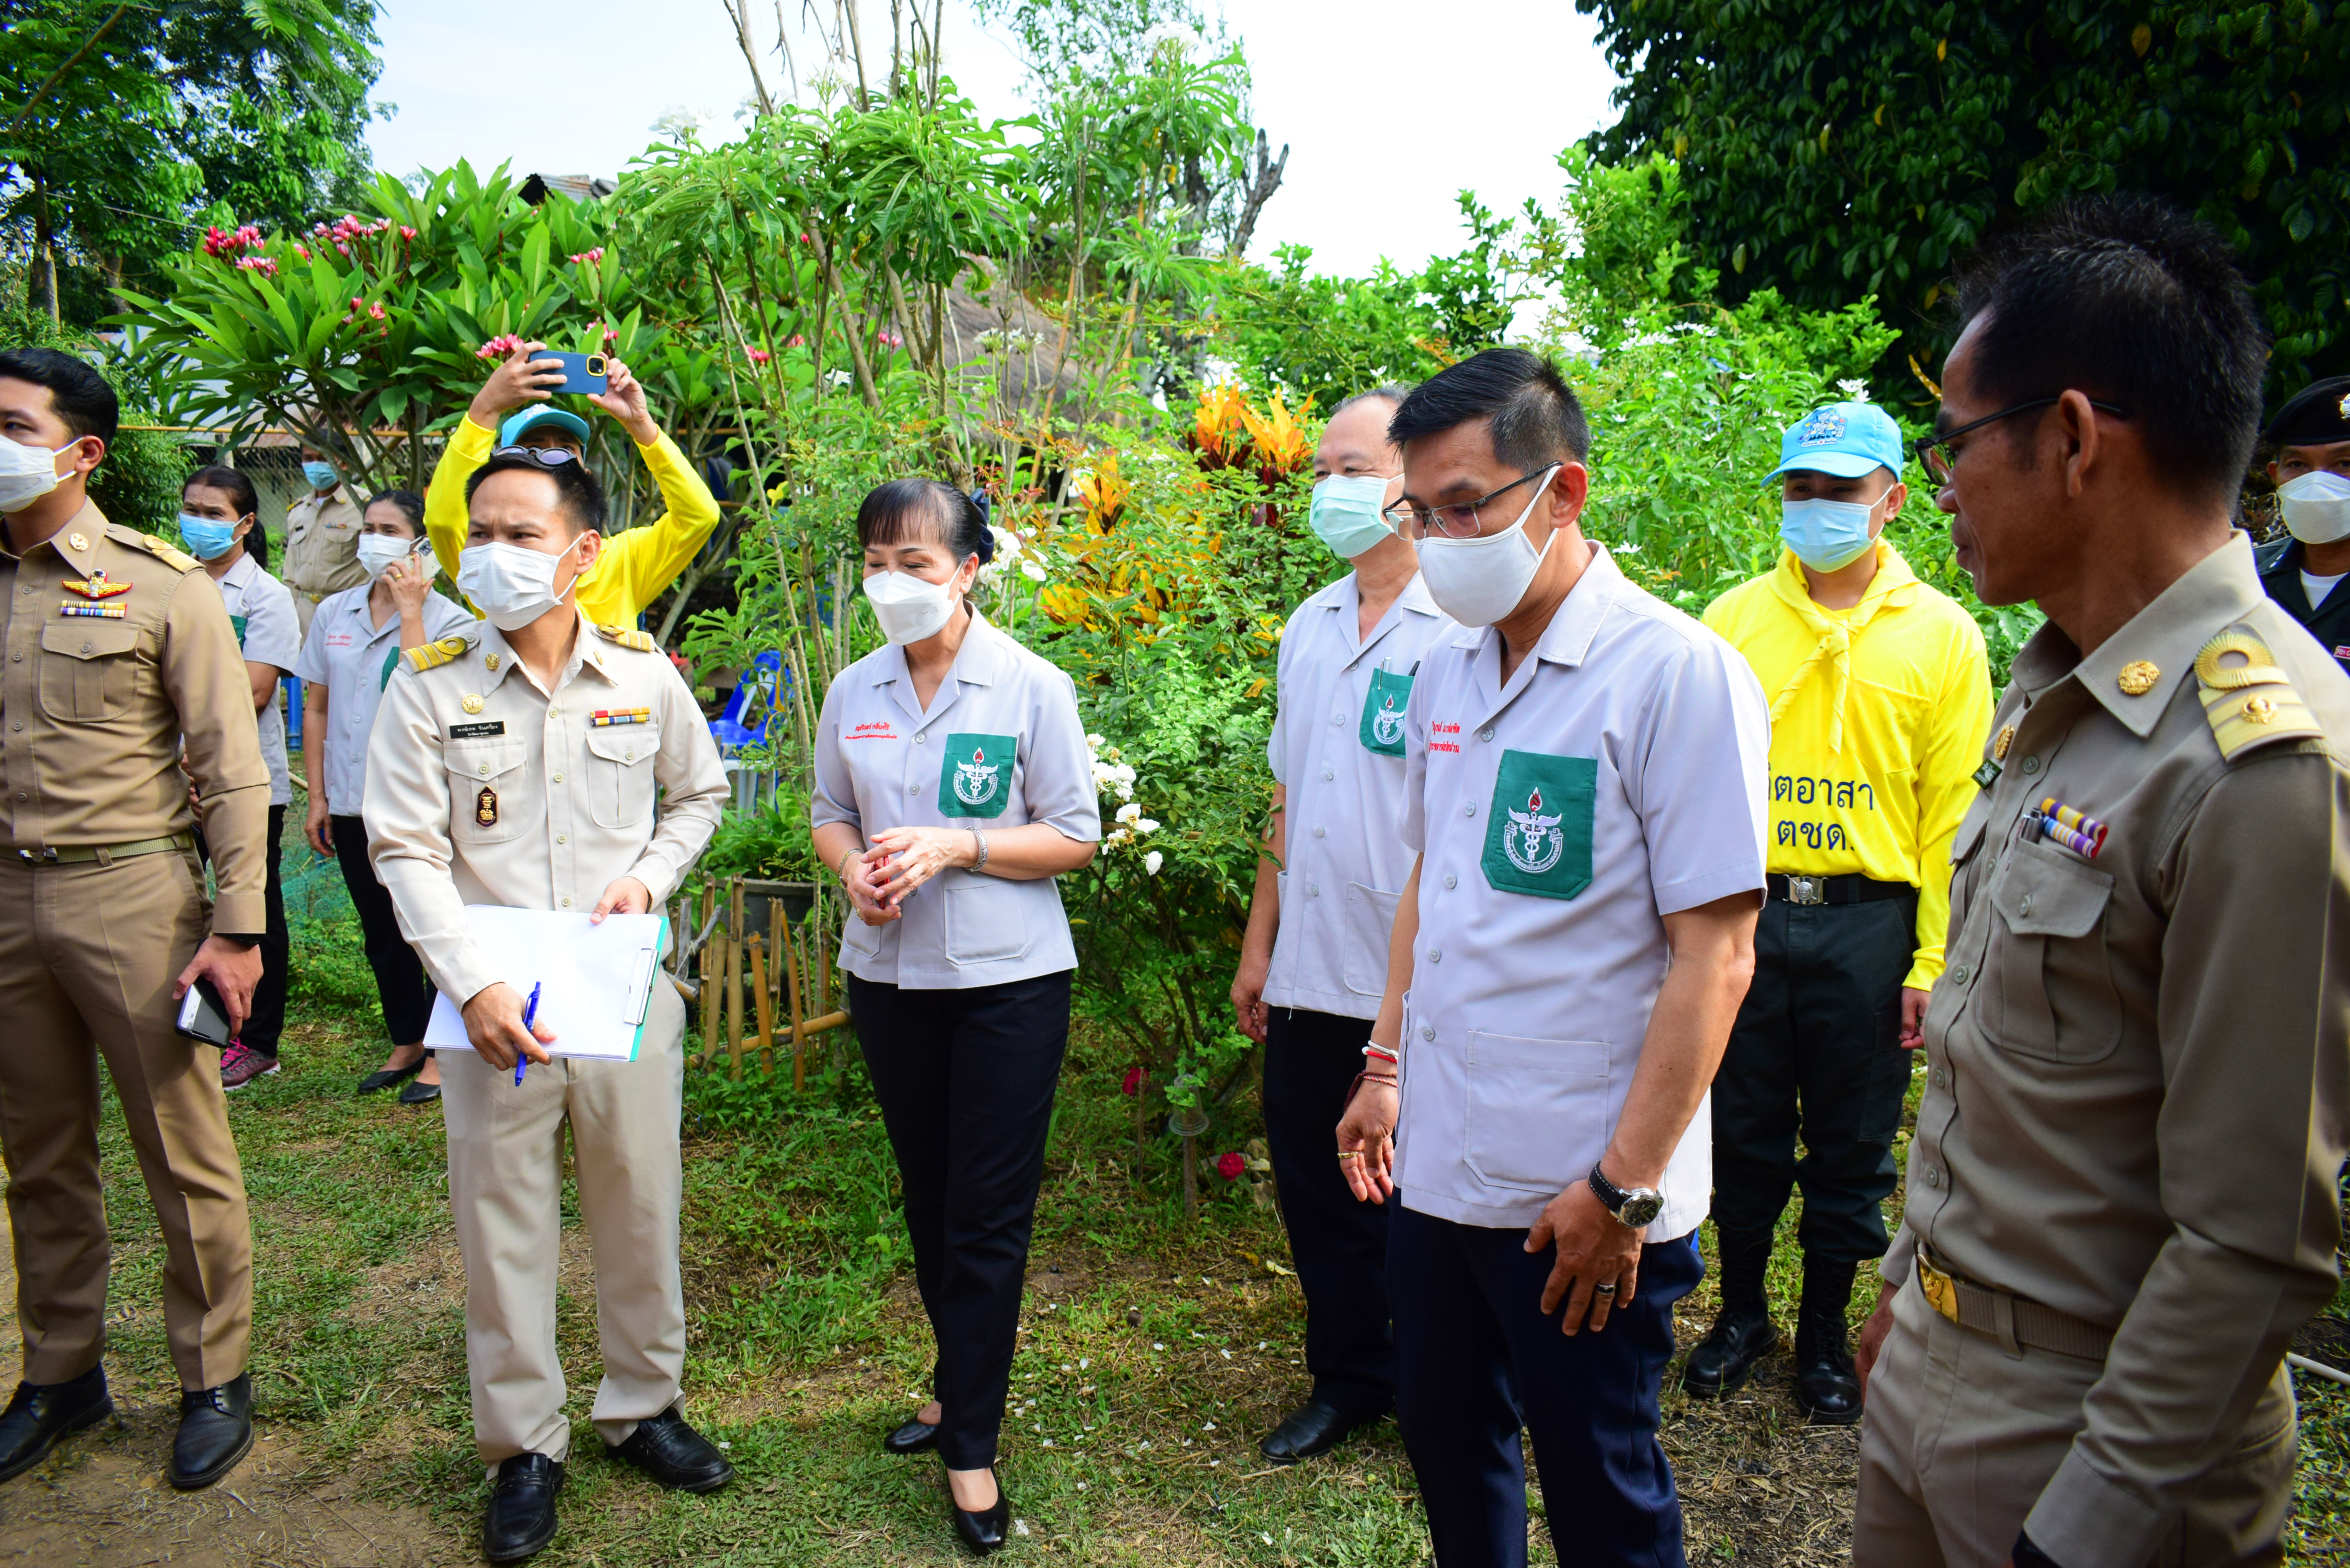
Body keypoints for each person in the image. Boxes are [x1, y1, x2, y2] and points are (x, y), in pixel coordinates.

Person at [1852, 195, 2350, 1568]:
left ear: (2073, 438)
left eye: (1954, 444)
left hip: (2096, 1430)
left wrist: (2084, 1528)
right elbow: (1994, 1061)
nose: (1938, 487)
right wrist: (1908, 1289)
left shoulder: (2262, 765)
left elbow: (2251, 1241)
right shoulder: (2056, 688)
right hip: (1936, 1358)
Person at [1337, 349, 1770, 1566]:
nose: (1437, 539)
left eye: (1464, 506)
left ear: (1562, 491)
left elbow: (1716, 956)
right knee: (1448, 1443)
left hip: (1578, 1192)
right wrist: (1383, 1062)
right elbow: (1432, 882)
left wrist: (1621, 1193)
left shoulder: (1673, 673)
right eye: (1420, 513)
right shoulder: (1446, 669)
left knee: (1598, 1487)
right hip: (1439, 1168)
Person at [364, 448, 733, 1564]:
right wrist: (469, 984)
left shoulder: (641, 673)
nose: (493, 554)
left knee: (640, 1203)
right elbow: (404, 846)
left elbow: (700, 793)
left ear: (581, 553)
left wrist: (649, 880)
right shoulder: (432, 683)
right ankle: (524, 1445)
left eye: (522, 535)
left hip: (622, 994)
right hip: (494, 1010)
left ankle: (644, 1406)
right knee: (502, 1223)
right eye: (480, 533)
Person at [1684, 402, 1992, 1421]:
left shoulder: (1942, 637)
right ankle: (1741, 1316)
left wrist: (1934, 960)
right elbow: (1690, 785)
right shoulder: (1732, 621)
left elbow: (1952, 815)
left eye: (1840, 490)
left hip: (1869, 926)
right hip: (1749, 912)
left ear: (1891, 501)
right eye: (1800, 489)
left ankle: (1821, 1332)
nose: (1815, 506)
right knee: (1741, 1127)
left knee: (1851, 1144)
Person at [810, 479, 1099, 1557]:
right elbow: (830, 813)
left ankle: (969, 1445)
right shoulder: (855, 688)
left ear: (969, 570)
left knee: (986, 1214)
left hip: (1007, 986)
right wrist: (853, 870)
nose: (891, 584)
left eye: (915, 564)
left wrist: (958, 845)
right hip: (890, 979)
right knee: (931, 1199)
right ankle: (956, 1383)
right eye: (875, 564)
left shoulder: (1029, 685)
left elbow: (1074, 834)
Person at [0, 348, 269, 1491]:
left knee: (181, 1148)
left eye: (12, 425)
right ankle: (61, 1374)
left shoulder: (163, 586)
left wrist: (238, 927)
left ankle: (214, 1378)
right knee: (38, 1152)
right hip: (7, 900)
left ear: (83, 452)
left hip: (132, 896)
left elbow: (232, 765)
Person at [1229, 385, 1451, 1463]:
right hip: (1309, 964)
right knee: (1316, 1184)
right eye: (1320, 471)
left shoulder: (1458, 626)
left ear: (1412, 482)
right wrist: (1258, 944)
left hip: (1416, 977)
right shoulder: (1310, 626)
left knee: (1419, 1193)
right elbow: (1288, 796)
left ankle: (1440, 1386)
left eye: (1352, 470)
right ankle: (1348, 1376)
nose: (1328, 488)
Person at [294, 489, 474, 1105]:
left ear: (420, 544)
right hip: (350, 800)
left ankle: (444, 1051)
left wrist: (410, 609)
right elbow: (317, 707)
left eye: (389, 530)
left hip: (419, 803)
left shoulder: (453, 621)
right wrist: (318, 797)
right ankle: (407, 1039)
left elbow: (422, 688)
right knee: (380, 929)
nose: (373, 540)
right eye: (368, 527)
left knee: (432, 925)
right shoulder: (334, 613)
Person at [423, 343, 721, 628]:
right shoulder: (494, 555)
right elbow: (444, 521)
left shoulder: (622, 561)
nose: (550, 460)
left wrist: (642, 427)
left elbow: (699, 516)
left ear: (586, 474)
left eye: (566, 449)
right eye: (532, 448)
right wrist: (485, 408)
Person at [178, 466, 302, 1091]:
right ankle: (199, 1030)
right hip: (168, 778)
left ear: (245, 523)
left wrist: (190, 755)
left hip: (240, 779)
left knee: (251, 911)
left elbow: (254, 691)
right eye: (191, 509)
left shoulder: (264, 597)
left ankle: (256, 1042)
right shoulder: (173, 583)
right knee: (180, 903)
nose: (198, 522)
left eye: (213, 513)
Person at [2252, 374, 2350, 672]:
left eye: (2345, 464)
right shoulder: (2244, 577)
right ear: (2275, 476)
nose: (2317, 483)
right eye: (2298, 465)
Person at [282, 443, 367, 637]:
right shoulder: (299, 511)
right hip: (303, 614)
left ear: (343, 463)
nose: (315, 465)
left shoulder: (364, 507)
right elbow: (290, 573)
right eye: (308, 459)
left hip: (347, 612)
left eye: (323, 459)